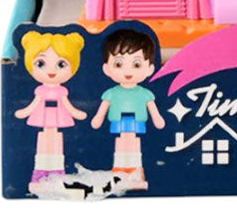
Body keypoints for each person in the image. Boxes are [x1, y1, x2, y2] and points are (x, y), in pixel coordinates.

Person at [91, 28, 165, 190]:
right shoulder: (111, 93)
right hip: (119, 123)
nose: (128, 71)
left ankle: (135, 174)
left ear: (150, 68)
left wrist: (158, 118)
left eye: (137, 64)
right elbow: (102, 110)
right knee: (122, 148)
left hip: (137, 123)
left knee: (134, 149)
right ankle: (119, 174)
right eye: (118, 64)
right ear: (106, 69)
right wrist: (98, 118)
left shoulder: (145, 94)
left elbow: (154, 110)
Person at [14, 31, 87, 193]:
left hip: (58, 119)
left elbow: (67, 105)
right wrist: (24, 112)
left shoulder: (61, 91)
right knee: (43, 148)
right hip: (43, 118)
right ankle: (39, 177)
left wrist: (76, 113)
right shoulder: (40, 90)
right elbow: (34, 104)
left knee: (56, 148)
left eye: (61, 64)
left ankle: (57, 177)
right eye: (41, 63)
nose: (51, 71)